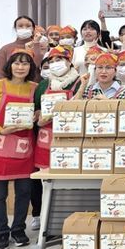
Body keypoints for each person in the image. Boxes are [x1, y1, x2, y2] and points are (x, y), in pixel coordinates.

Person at [0, 49, 39, 249]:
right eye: (17, 63)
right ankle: (2, 232)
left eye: (25, 63)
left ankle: (19, 229)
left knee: (24, 192)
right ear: (9, 65)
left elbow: (41, 112)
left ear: (31, 67)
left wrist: (37, 115)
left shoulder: (35, 88)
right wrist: (0, 130)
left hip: (24, 148)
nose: (21, 67)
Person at [32, 46, 80, 230]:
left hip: (70, 139)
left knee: (70, 185)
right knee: (46, 184)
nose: (54, 64)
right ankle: (47, 224)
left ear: (69, 62)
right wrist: (39, 118)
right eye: (51, 61)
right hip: (45, 141)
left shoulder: (79, 82)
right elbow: (36, 110)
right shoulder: (43, 85)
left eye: (59, 60)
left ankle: (69, 223)